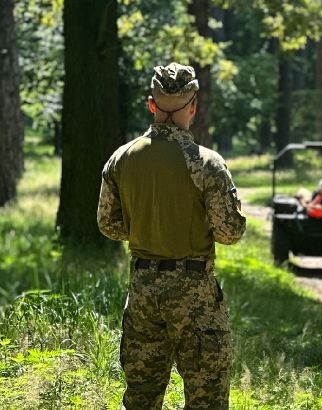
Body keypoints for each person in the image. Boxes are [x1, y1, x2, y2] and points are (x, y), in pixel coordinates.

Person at [97, 62, 246, 410]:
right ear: (193, 105)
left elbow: (109, 225)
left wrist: (149, 225)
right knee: (206, 398)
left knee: (142, 398)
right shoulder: (207, 163)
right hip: (194, 294)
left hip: (144, 292)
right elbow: (230, 232)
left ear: (152, 104)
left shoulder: (121, 159)